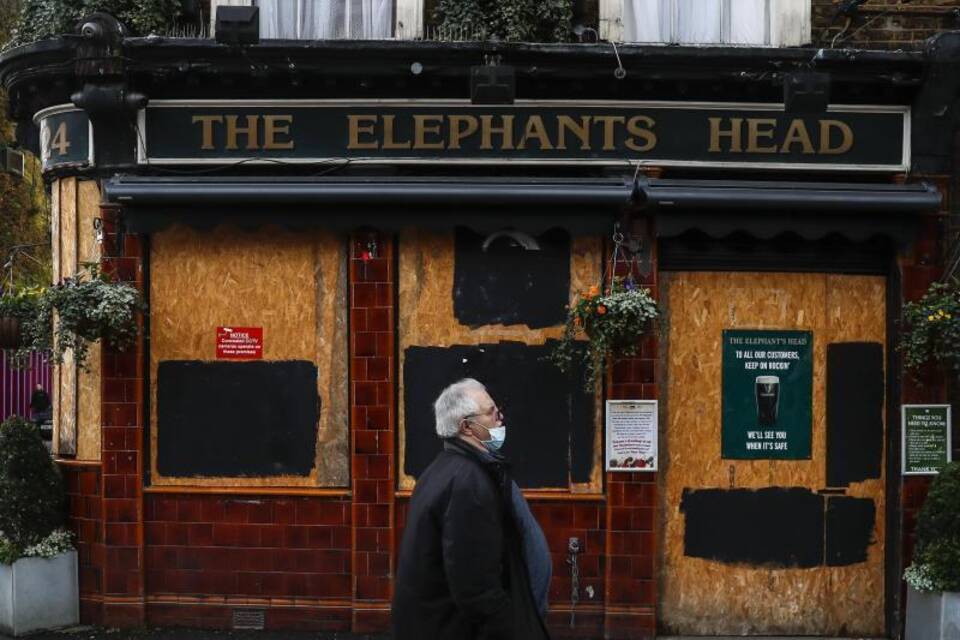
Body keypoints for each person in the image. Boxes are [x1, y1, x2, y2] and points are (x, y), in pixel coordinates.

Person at [392, 378, 551, 640]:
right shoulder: (467, 483)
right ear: (467, 427)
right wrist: (513, 629)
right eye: (491, 412)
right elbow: (476, 589)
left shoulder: (449, 470)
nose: (500, 417)